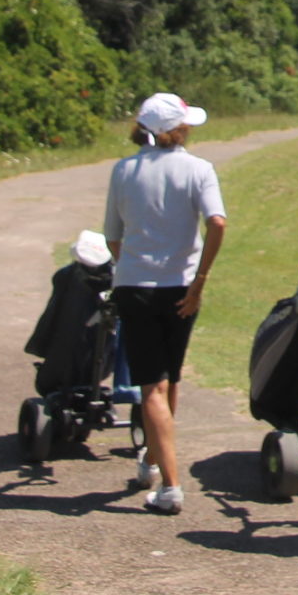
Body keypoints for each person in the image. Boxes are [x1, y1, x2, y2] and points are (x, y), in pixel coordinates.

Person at [104, 92, 226, 515]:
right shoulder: (199, 170)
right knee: (168, 379)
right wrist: (201, 279)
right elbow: (217, 222)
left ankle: (169, 483)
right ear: (178, 128)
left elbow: (113, 237)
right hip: (181, 286)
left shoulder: (124, 171)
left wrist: (132, 266)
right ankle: (156, 463)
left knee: (153, 384)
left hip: (136, 285)